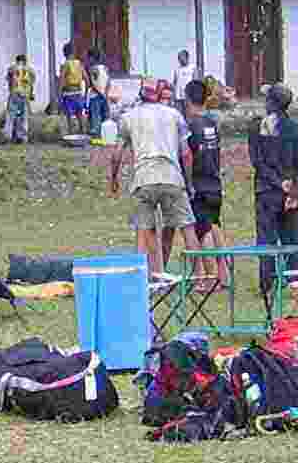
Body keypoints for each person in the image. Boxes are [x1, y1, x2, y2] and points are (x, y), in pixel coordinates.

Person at [113, 82, 194, 287]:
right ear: (159, 96)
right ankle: (200, 276)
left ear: (140, 95)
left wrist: (113, 179)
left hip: (143, 179)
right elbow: (186, 153)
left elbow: (116, 155)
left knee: (143, 229)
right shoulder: (174, 115)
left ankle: (142, 279)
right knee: (187, 227)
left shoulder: (127, 118)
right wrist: (189, 182)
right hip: (171, 177)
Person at [247, 84, 298, 290]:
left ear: (270, 103)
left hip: (266, 190)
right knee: (294, 237)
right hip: (292, 191)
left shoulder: (257, 127)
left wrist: (277, 183)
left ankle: (269, 281)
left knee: (267, 238)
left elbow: (258, 162)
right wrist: (295, 190)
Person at [180, 77, 227, 283]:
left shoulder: (190, 126)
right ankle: (225, 276)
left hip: (199, 186)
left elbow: (188, 157)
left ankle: (210, 277)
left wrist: (188, 184)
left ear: (188, 100)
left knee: (203, 231)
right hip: (215, 184)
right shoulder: (212, 124)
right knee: (215, 226)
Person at [3, 53, 36, 144]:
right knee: (23, 117)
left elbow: (9, 81)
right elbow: (31, 83)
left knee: (11, 115)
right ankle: (22, 137)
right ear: (25, 61)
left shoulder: (12, 69)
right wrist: (31, 93)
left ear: (17, 60)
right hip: (25, 95)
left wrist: (11, 90)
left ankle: (7, 136)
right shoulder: (30, 70)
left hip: (14, 94)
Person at [56, 44, 87, 131]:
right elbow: (86, 78)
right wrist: (86, 91)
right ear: (73, 53)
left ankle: (71, 133)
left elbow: (62, 79)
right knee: (79, 114)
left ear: (64, 53)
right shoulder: (79, 63)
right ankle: (82, 131)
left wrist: (59, 93)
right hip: (78, 92)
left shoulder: (65, 64)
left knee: (69, 115)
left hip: (68, 93)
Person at [85, 51, 112, 132]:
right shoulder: (105, 68)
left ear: (92, 58)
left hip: (95, 96)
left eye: (88, 58)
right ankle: (105, 133)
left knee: (95, 116)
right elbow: (108, 82)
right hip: (104, 95)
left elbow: (91, 84)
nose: (88, 60)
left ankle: (96, 134)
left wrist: (98, 92)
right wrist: (106, 94)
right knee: (105, 116)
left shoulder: (92, 69)